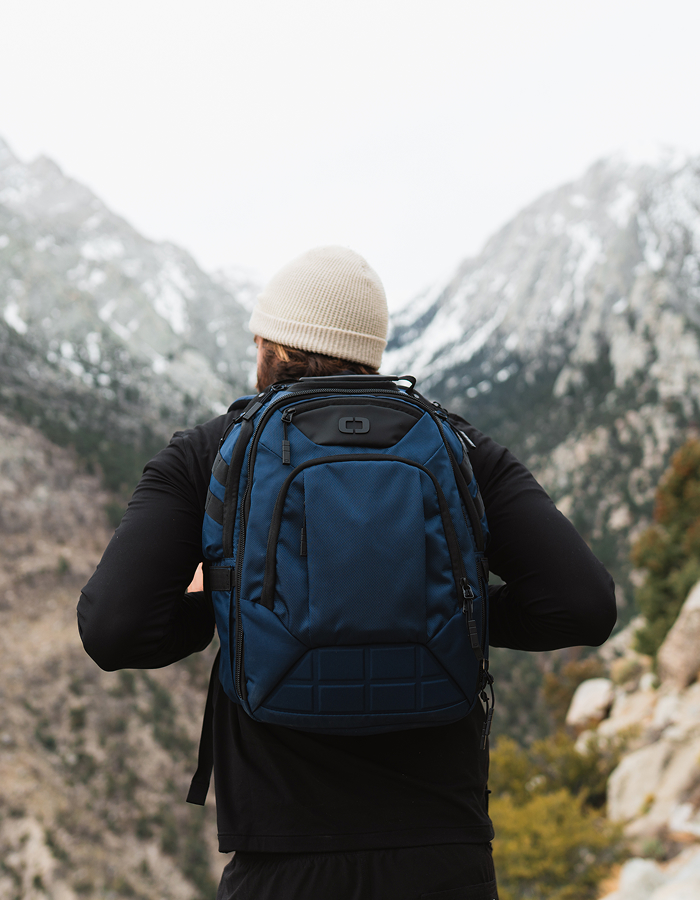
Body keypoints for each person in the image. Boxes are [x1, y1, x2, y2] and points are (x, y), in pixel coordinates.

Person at [78, 245, 616, 900]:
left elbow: (113, 630)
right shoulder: (458, 447)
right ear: (371, 355)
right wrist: (443, 610)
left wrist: (228, 606)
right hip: (445, 858)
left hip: (281, 862)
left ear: (272, 347)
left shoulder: (206, 453)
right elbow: (584, 605)